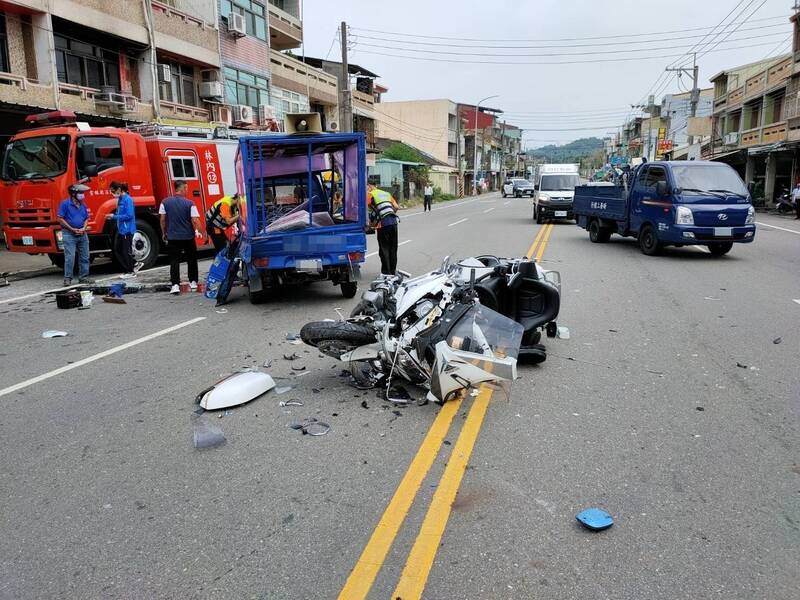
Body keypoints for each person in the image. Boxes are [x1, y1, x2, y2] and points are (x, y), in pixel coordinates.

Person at [159, 180, 202, 294]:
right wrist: (200, 231)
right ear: (182, 189)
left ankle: (175, 285)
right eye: (186, 188)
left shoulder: (165, 202)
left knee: (174, 261)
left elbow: (162, 220)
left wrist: (164, 233)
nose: (187, 191)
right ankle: (193, 282)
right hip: (188, 236)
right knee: (191, 259)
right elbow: (195, 220)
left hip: (173, 237)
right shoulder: (190, 203)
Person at [57, 183, 93, 286]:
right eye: (80, 193)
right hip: (69, 234)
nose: (82, 195)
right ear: (73, 194)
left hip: (82, 233)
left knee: (85, 256)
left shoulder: (83, 204)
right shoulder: (65, 204)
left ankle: (84, 277)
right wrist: (72, 229)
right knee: (70, 257)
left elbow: (86, 218)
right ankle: (67, 278)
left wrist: (83, 228)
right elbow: (60, 218)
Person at [107, 181, 140, 277]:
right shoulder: (121, 199)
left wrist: (114, 216)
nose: (112, 193)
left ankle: (130, 271)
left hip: (127, 229)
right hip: (122, 229)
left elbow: (129, 215)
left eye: (113, 191)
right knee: (118, 249)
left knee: (126, 250)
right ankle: (134, 264)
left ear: (119, 189)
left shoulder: (127, 199)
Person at [367, 183, 400, 275]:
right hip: (394, 222)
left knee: (384, 249)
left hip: (383, 224)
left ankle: (386, 273)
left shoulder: (370, 194)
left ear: (369, 186)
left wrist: (370, 224)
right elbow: (397, 207)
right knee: (393, 248)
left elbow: (362, 208)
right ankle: (393, 272)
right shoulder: (386, 193)